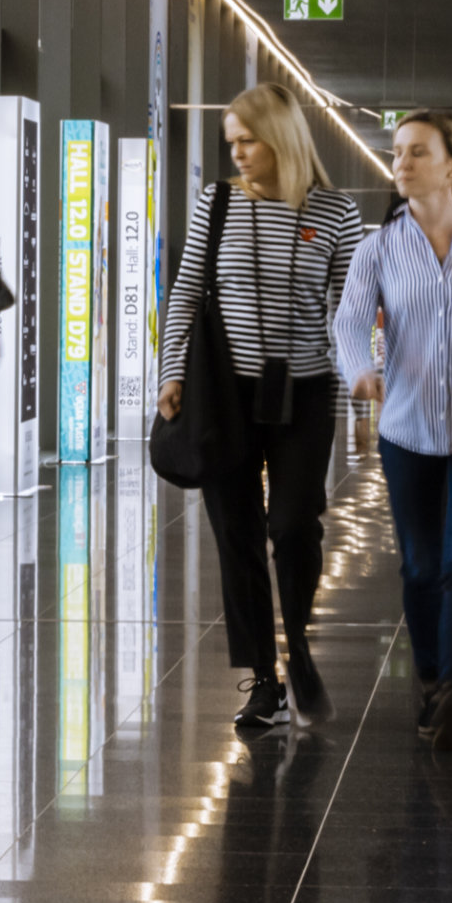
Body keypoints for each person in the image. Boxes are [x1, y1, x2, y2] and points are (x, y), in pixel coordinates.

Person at [159, 83, 364, 729]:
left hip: (304, 390)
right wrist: (171, 373)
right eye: (232, 143)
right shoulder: (215, 203)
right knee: (238, 534)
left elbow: (349, 311)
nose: (239, 154)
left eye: (248, 140)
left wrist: (362, 377)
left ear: (281, 137)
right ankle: (264, 680)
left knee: (293, 523)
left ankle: (297, 643)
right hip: (223, 390)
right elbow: (186, 291)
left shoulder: (335, 213)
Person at [333, 110, 452, 746]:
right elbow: (350, 321)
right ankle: (433, 677)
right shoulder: (378, 247)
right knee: (420, 566)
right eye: (397, 153)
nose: (401, 163)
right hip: (408, 428)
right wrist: (360, 369)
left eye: (417, 152)